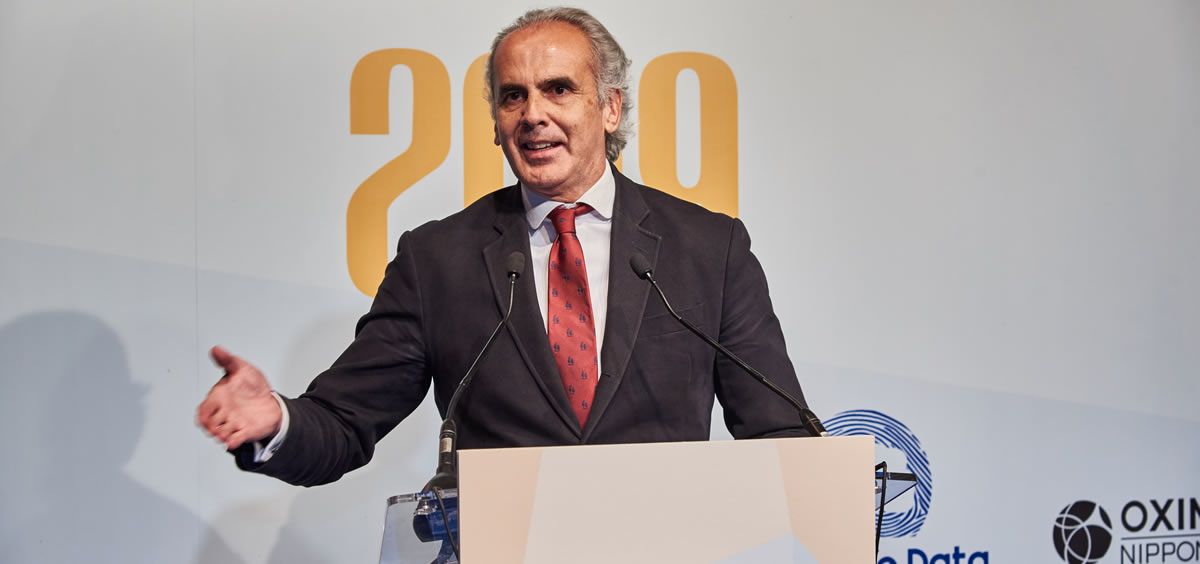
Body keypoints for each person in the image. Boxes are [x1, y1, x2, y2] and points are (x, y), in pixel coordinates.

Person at [197, 7, 812, 487]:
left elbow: (779, 429)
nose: (532, 114)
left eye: (558, 89)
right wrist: (277, 420)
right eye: (513, 95)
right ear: (496, 122)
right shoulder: (436, 260)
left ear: (610, 108)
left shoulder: (708, 248)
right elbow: (343, 423)